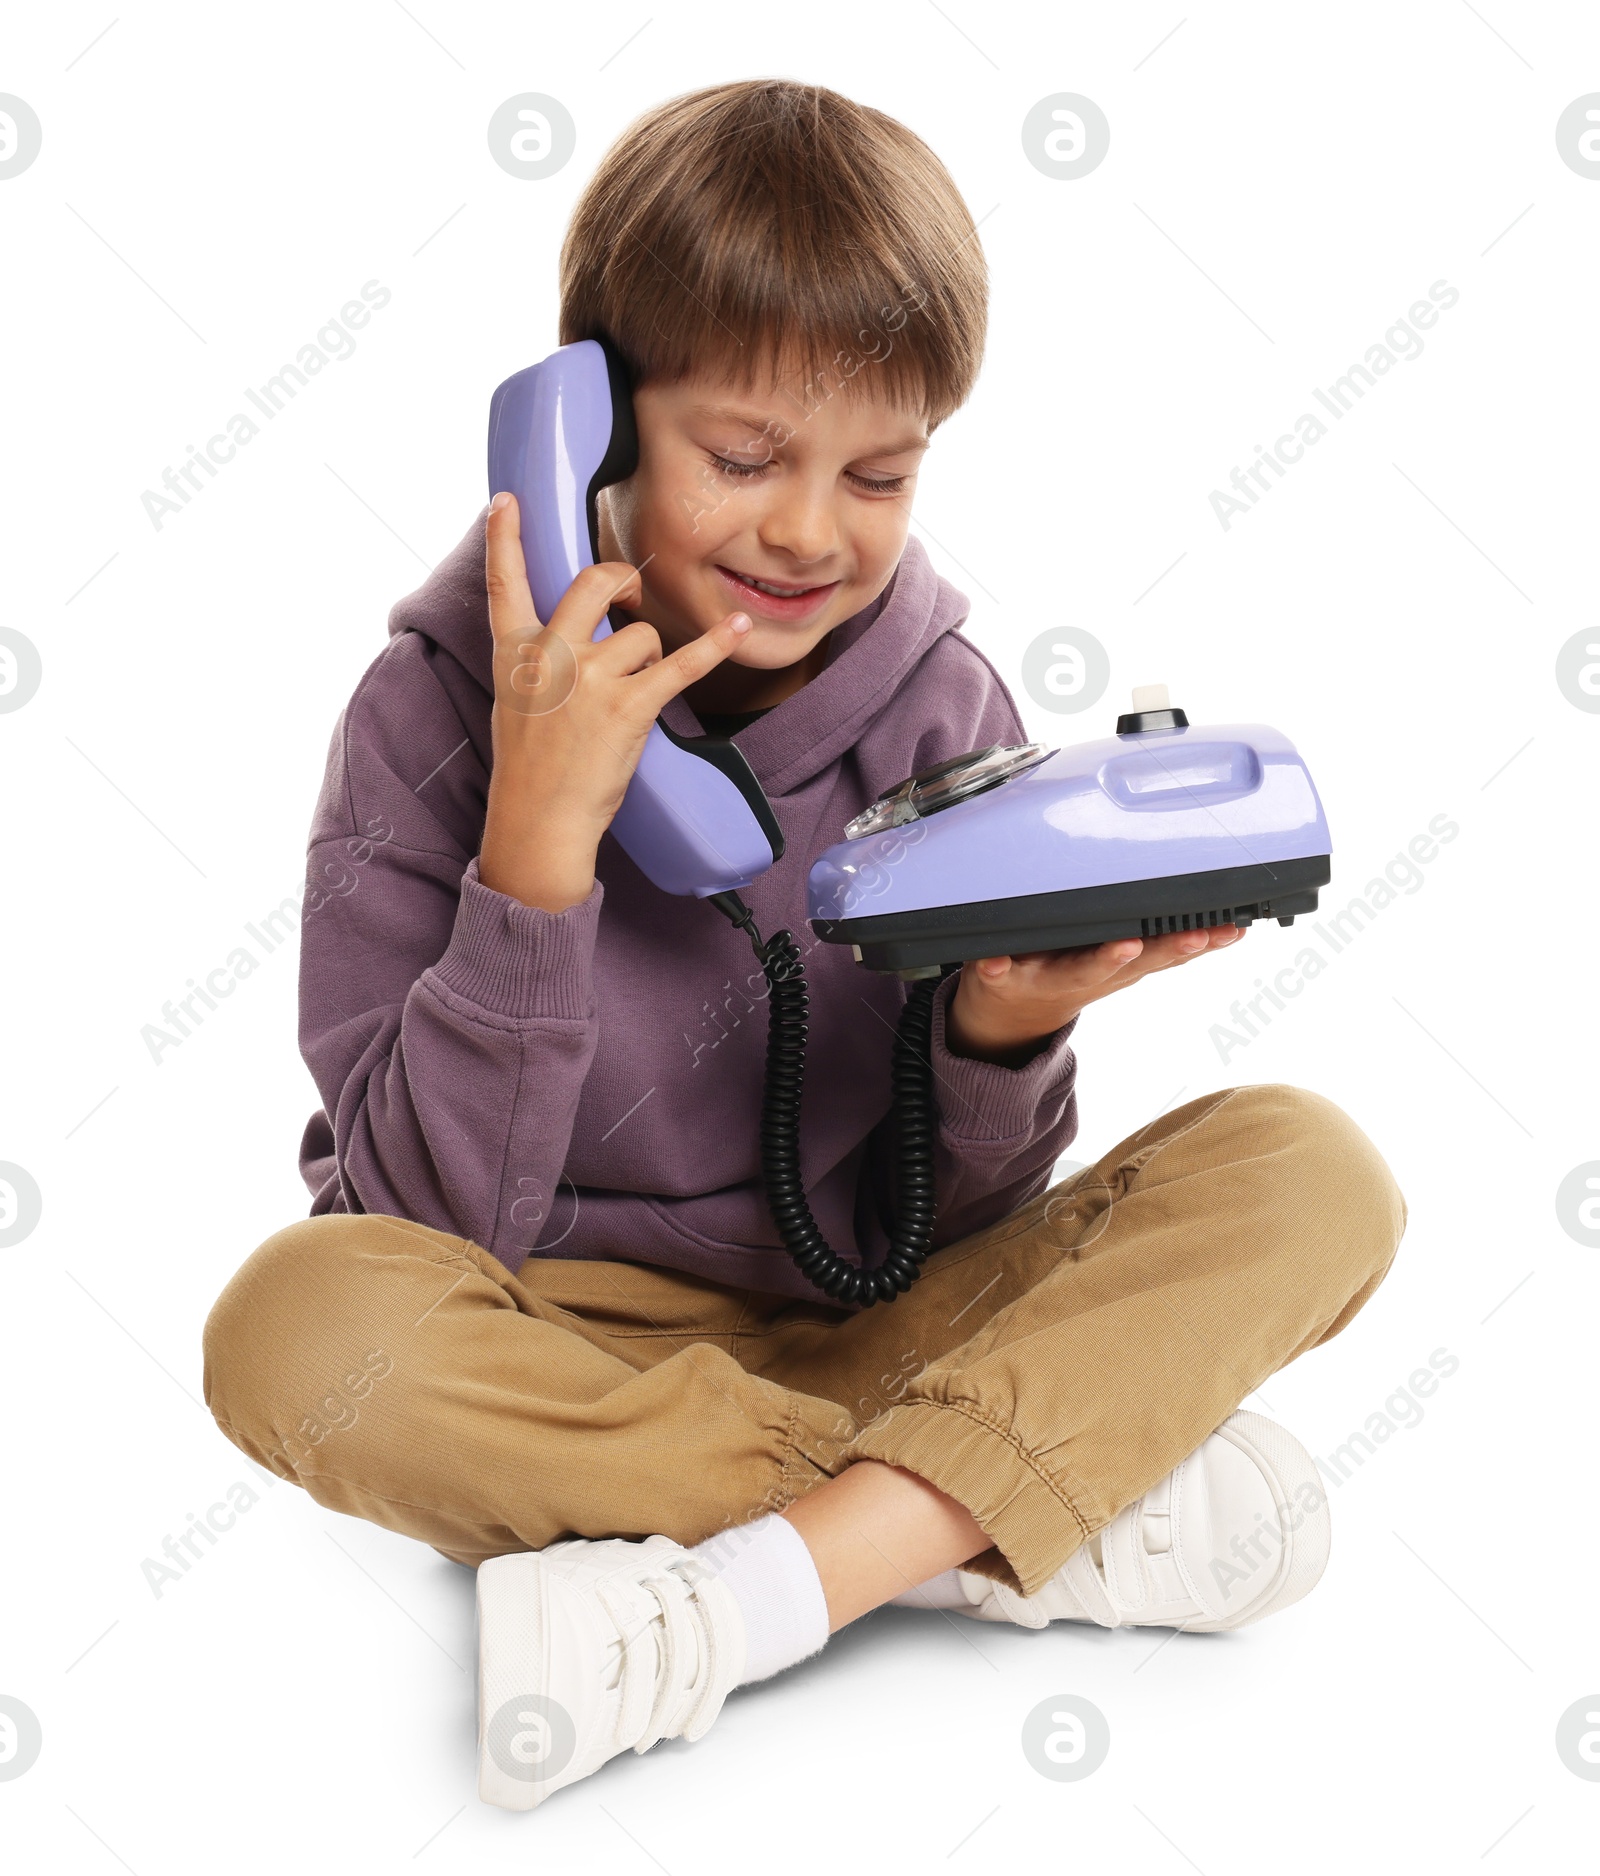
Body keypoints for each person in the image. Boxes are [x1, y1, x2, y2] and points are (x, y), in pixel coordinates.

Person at [201, 79, 1405, 1811]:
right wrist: (538, 856)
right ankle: (993, 1511)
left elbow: (955, 1219)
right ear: (590, 434)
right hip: (569, 1348)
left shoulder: (941, 704)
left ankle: (752, 1590)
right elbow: (413, 1223)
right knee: (291, 1328)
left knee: (1311, 1168)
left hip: (882, 1311)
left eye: (881, 473)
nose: (808, 533)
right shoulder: (428, 721)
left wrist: (994, 1040)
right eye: (744, 459)